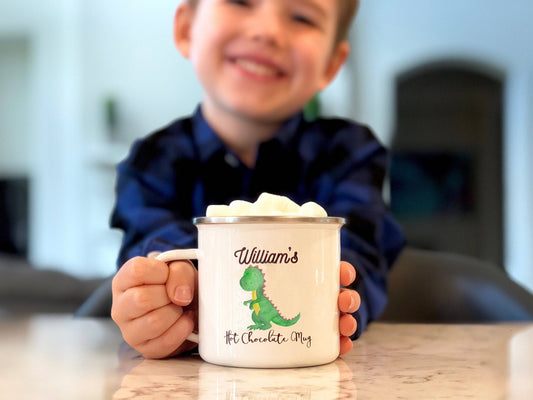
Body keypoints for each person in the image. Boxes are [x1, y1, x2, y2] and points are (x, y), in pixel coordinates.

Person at [110, 0, 405, 359]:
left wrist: (340, 296)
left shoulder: (351, 152)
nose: (268, 31)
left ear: (330, 64)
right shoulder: (150, 161)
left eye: (301, 17)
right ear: (187, 27)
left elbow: (361, 252)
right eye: (240, 2)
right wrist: (166, 287)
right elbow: (149, 241)